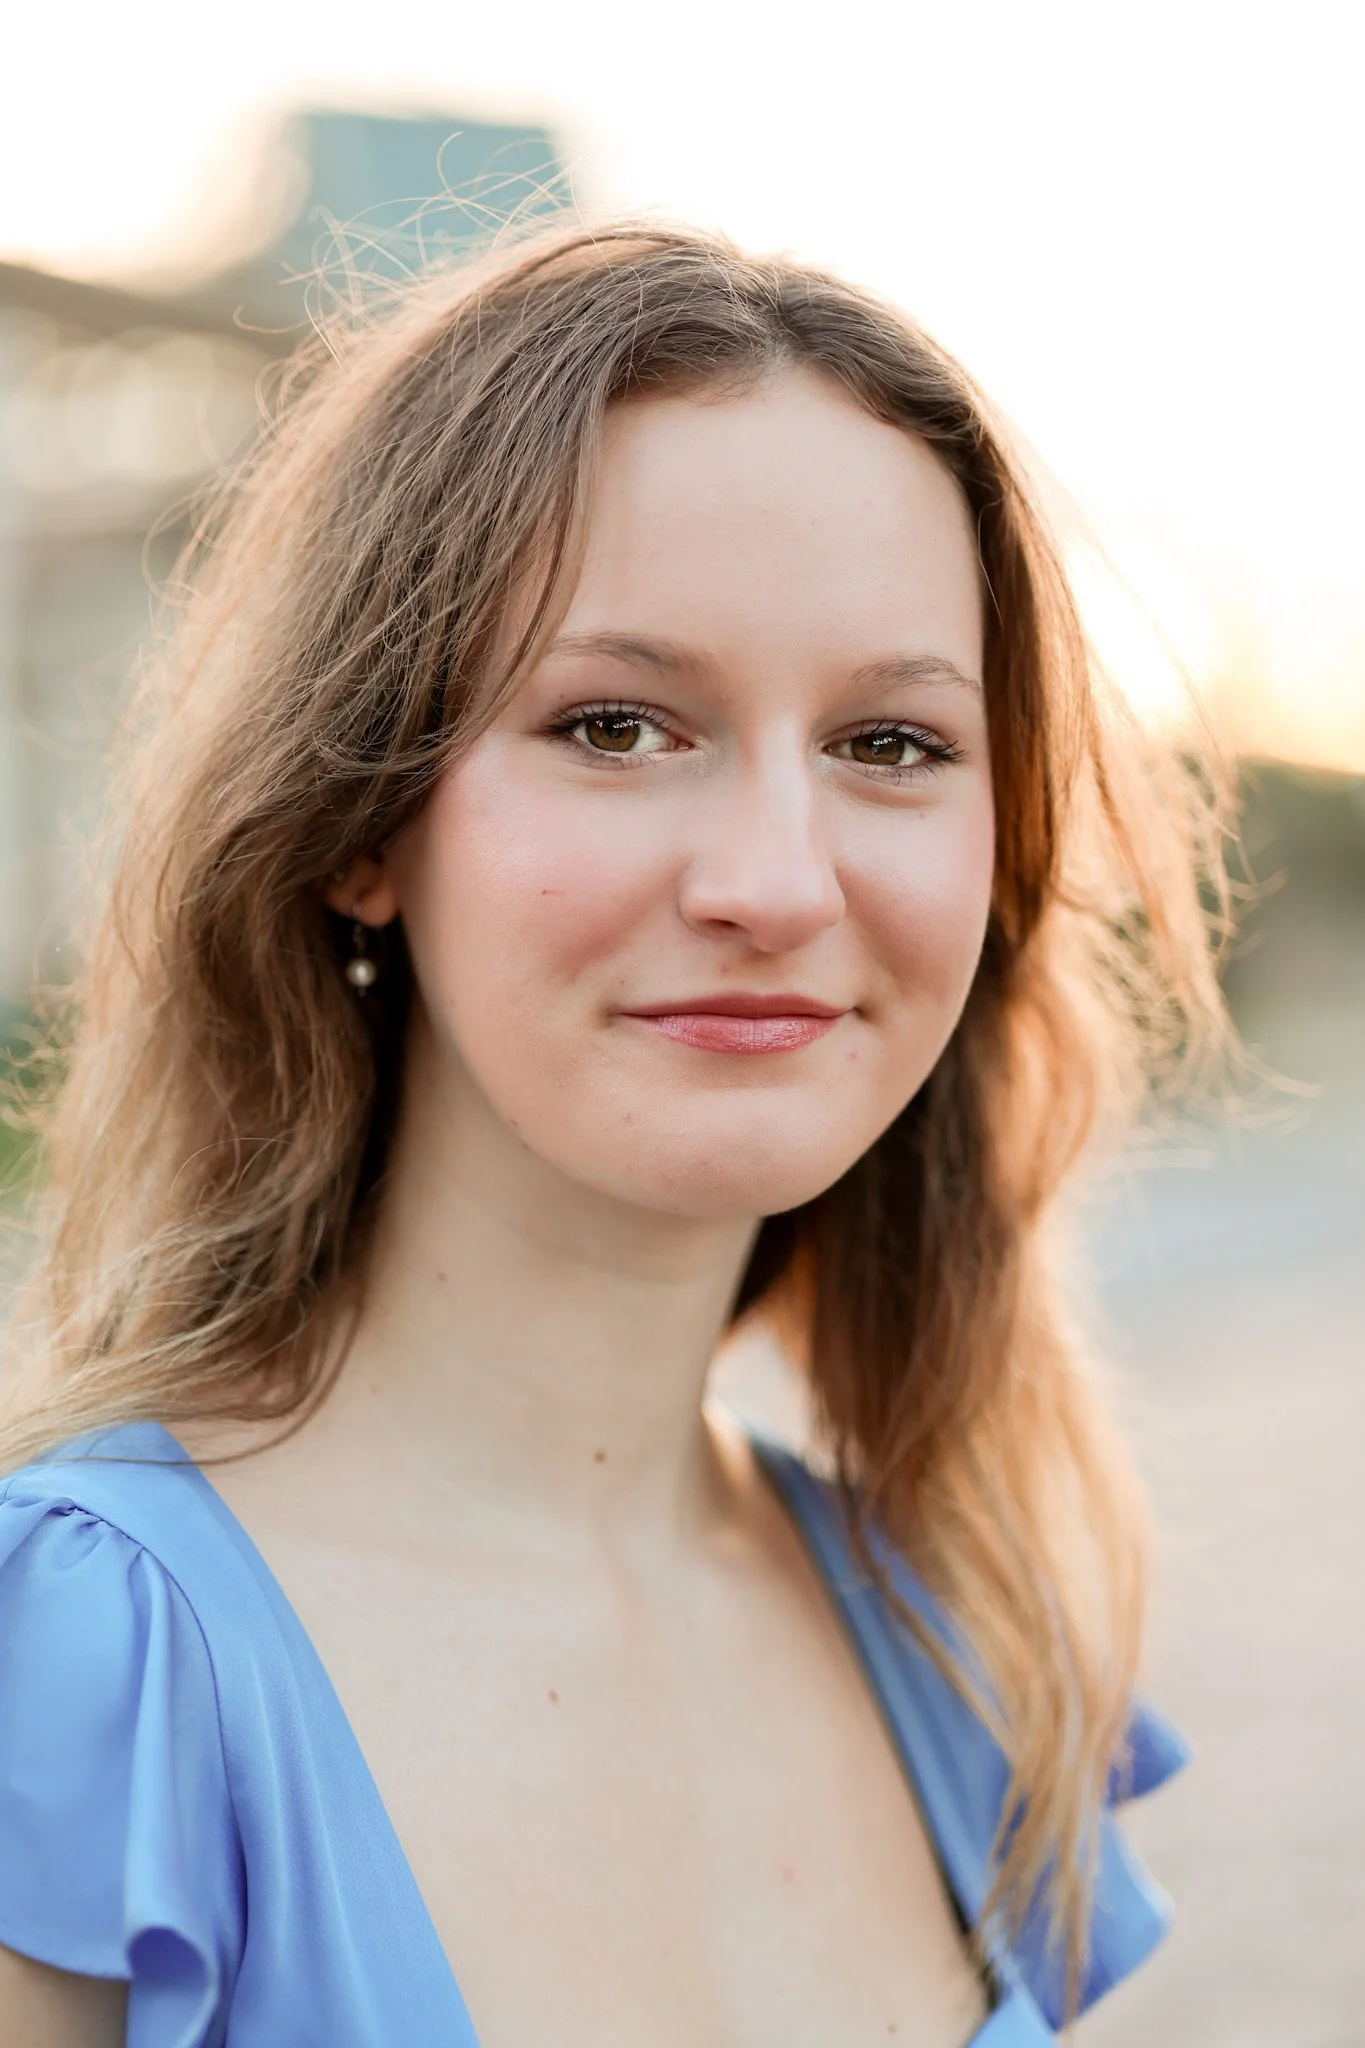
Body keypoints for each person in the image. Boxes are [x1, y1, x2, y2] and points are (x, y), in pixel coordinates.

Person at [0, 220, 1228, 2047]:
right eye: (618, 723)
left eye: (893, 745)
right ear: (358, 826)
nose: (773, 882)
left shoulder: (956, 1640)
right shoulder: (83, 1672)